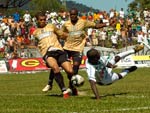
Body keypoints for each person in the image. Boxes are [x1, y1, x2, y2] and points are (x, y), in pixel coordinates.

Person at [43, 8, 107, 95]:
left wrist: (106, 24)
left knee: (75, 67)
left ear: (77, 15)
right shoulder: (66, 24)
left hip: (78, 49)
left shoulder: (83, 22)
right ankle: (50, 83)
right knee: (56, 64)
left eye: (74, 15)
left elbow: (95, 25)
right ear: (69, 15)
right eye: (71, 15)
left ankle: (71, 87)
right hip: (66, 47)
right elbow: (60, 34)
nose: (73, 16)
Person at [33, 11, 74, 99]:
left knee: (70, 71)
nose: (43, 21)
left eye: (44, 19)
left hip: (59, 50)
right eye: (41, 20)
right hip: (47, 53)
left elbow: (61, 34)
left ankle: (73, 86)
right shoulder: (35, 32)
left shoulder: (51, 26)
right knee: (55, 68)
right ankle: (64, 91)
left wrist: (72, 37)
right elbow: (36, 44)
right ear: (37, 20)